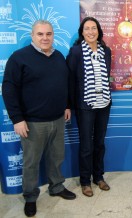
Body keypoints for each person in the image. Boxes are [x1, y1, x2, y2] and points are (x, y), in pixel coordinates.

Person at [2, 20, 76, 217]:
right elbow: (9, 89)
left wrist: (67, 105)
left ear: (53, 35)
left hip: (58, 119)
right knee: (31, 162)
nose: (45, 38)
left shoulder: (58, 56)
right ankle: (31, 197)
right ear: (33, 35)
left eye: (49, 34)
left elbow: (65, 83)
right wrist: (17, 119)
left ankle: (57, 187)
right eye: (40, 34)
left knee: (56, 157)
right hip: (32, 122)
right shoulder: (19, 58)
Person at [66, 17, 112, 197]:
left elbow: (105, 76)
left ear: (99, 31)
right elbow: (70, 81)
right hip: (85, 105)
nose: (91, 32)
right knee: (86, 145)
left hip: (104, 104)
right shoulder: (76, 52)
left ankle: (98, 177)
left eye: (94, 28)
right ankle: (85, 181)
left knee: (100, 143)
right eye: (87, 29)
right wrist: (68, 105)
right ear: (82, 32)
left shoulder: (106, 51)